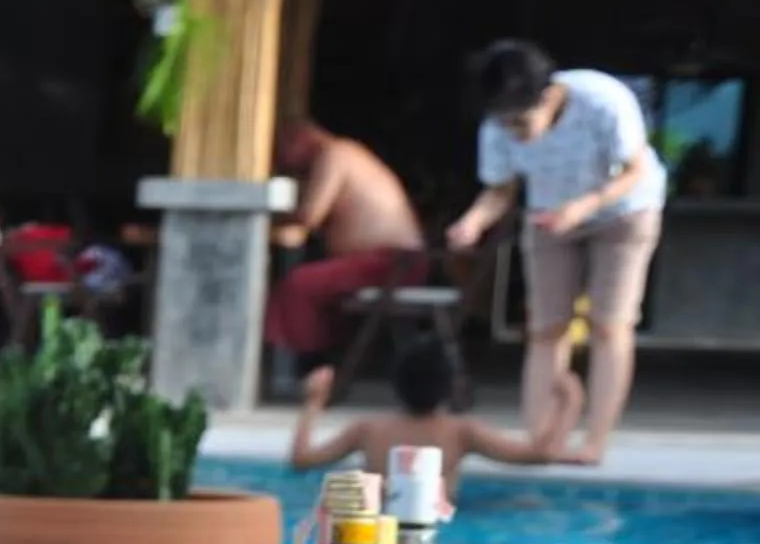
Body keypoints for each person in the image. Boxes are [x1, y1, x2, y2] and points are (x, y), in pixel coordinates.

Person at [443, 40, 667, 463]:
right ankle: (542, 440)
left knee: (609, 324)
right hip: (549, 216)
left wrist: (583, 206)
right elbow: (500, 190)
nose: (513, 133)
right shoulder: (496, 123)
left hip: (624, 210)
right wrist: (472, 222)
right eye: (504, 123)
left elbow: (634, 170)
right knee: (546, 328)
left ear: (547, 96)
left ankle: (594, 441)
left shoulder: (603, 100)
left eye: (521, 123)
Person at [286, 353, 574, 514]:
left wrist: (313, 401)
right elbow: (540, 454)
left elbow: (301, 460)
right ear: (449, 388)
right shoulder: (460, 432)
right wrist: (569, 402)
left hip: (378, 521)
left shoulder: (368, 429)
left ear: (395, 385)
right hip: (439, 522)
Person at [263, 118, 432, 381]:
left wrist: (271, 222)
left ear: (299, 139)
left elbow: (310, 216)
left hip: (391, 264)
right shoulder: (343, 154)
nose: (283, 163)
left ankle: (312, 369)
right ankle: (325, 363)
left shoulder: (335, 155)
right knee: (314, 280)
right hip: (383, 263)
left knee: (300, 283)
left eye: (280, 153)